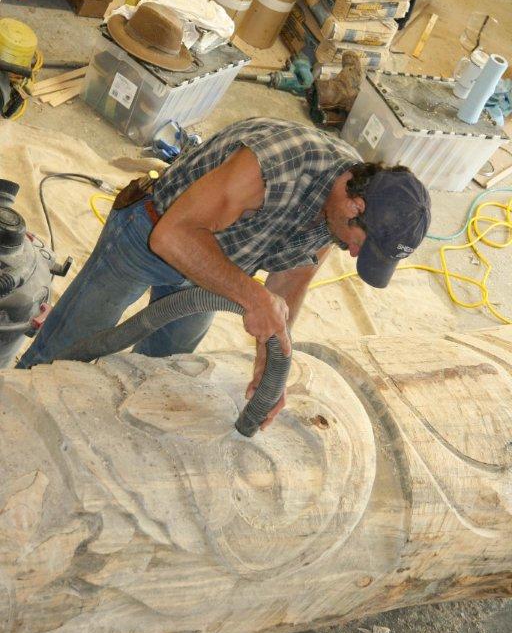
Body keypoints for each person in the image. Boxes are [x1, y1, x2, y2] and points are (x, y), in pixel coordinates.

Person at [18, 117, 431, 427]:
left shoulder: (343, 209)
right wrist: (252, 296)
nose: (355, 252)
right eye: (363, 243)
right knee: (68, 350)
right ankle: (15, 414)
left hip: (218, 267)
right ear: (355, 206)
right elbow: (172, 237)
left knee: (165, 370)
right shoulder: (279, 162)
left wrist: (271, 364)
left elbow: (292, 278)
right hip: (152, 230)